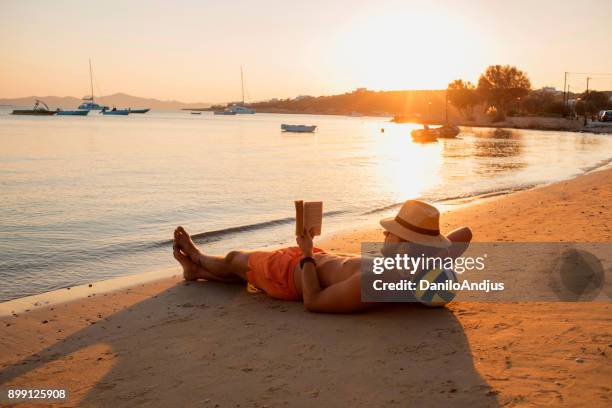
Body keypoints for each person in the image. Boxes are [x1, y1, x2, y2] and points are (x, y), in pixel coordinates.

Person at [173, 200, 472, 313]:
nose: (384, 235)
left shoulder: (372, 281)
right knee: (241, 275)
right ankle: (197, 273)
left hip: (292, 272)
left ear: (405, 245)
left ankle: (199, 258)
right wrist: (436, 250)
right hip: (315, 258)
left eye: (391, 233)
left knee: (235, 259)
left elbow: (313, 302)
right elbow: (466, 233)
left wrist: (305, 254)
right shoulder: (415, 267)